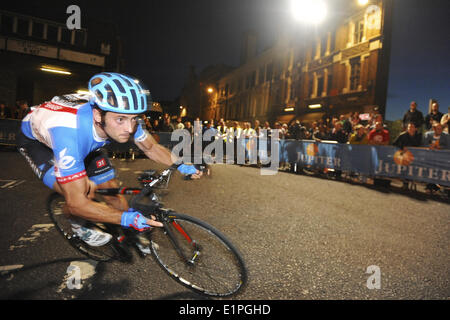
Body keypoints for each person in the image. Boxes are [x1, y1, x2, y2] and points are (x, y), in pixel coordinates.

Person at [17, 72, 201, 247]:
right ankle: (78, 226)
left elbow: (151, 147)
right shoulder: (68, 134)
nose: (129, 128)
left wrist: (181, 165)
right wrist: (127, 219)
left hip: (87, 141)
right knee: (83, 194)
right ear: (98, 115)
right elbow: (77, 204)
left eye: (134, 119)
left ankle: (126, 234)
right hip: (39, 144)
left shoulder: (123, 115)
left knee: (112, 191)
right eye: (120, 119)